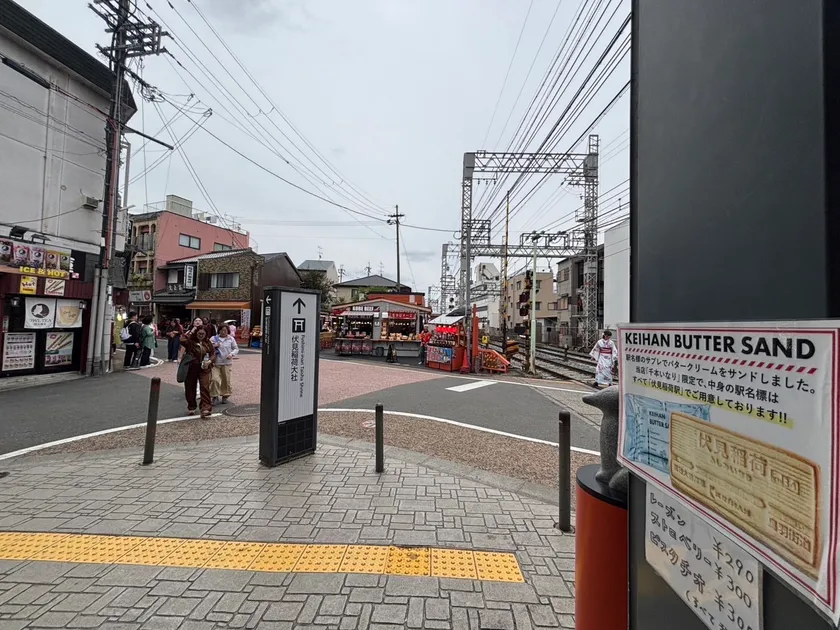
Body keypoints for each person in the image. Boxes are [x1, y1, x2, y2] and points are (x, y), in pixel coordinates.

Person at [180, 327, 215, 417]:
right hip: (191, 367)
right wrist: (191, 332)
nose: (201, 336)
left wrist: (210, 361)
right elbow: (182, 340)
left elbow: (213, 353)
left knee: (204, 387)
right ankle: (191, 405)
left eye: (203, 334)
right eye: (199, 334)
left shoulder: (208, 342)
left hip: (204, 368)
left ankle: (206, 408)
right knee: (190, 388)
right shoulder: (190, 341)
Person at [210, 324, 239, 404]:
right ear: (219, 330)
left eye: (225, 331)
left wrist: (231, 354)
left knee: (226, 380)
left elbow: (236, 348)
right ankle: (214, 396)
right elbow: (208, 347)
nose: (223, 332)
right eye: (221, 330)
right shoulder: (213, 338)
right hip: (216, 363)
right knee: (214, 379)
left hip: (227, 363)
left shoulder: (231, 339)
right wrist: (214, 345)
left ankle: (225, 395)